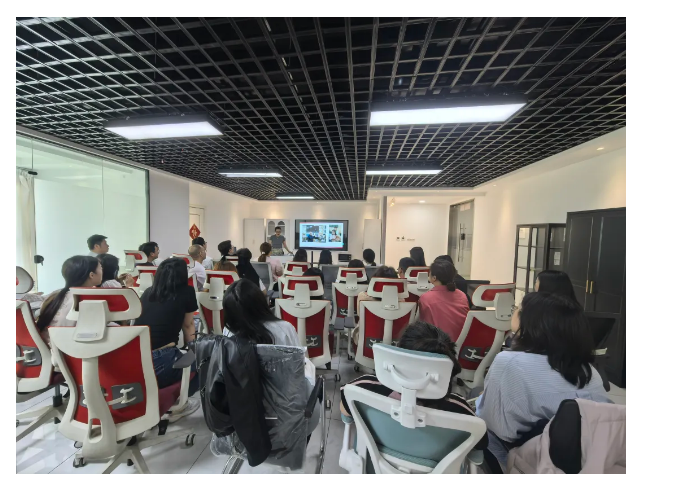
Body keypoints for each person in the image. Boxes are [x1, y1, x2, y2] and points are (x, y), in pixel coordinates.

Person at [476, 292, 611, 470]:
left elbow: (499, 428)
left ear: (530, 323)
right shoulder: (588, 370)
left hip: (529, 460)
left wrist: (484, 399)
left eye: (518, 309)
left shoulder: (509, 362)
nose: (514, 312)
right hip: (587, 458)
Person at [339, 322, 488, 450]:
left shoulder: (363, 388)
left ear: (398, 355)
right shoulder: (460, 410)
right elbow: (481, 444)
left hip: (374, 463)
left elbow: (345, 411)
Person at [223, 279, 320, 435]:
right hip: (289, 417)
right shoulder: (284, 329)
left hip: (245, 416)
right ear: (261, 303)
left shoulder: (228, 333)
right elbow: (298, 370)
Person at [135, 258, 201, 420]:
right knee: (206, 363)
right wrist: (195, 351)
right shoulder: (187, 292)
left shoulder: (148, 292)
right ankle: (179, 402)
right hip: (162, 360)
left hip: (136, 361)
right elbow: (188, 326)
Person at [37, 256, 103, 346]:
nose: (102, 271)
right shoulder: (86, 299)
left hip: (50, 347)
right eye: (101, 268)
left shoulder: (55, 295)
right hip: (69, 349)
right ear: (91, 275)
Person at [418, 260, 469, 342]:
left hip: (437, 344)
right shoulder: (462, 295)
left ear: (434, 278)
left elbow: (424, 326)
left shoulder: (425, 298)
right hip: (462, 343)